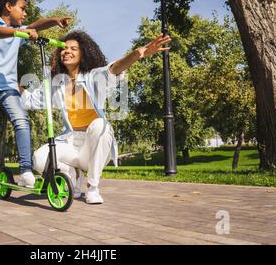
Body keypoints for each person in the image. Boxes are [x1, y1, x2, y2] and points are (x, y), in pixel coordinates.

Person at [21, 30, 171, 204]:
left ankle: (93, 188)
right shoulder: (56, 83)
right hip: (69, 142)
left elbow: (114, 69)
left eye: (73, 48)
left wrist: (137, 54)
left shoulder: (93, 76)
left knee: (101, 124)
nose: (66, 51)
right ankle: (73, 176)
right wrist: (14, 84)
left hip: (93, 143)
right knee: (39, 159)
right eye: (63, 48)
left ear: (83, 53)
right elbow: (30, 100)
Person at [0, 0, 71, 203]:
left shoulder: (20, 29)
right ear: (8, 6)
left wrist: (55, 20)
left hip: (8, 87)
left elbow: (34, 26)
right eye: (22, 9)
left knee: (22, 121)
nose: (25, 14)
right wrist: (19, 32)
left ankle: (25, 171)